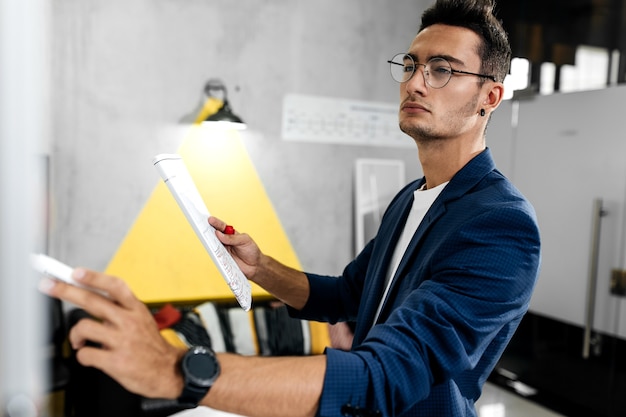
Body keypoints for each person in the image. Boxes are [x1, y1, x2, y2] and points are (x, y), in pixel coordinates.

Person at [40, 0, 541, 416]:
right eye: (410, 65)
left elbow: (387, 373)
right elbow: (347, 294)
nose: (414, 82)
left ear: (489, 96)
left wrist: (172, 369)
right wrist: (261, 267)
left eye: (441, 70)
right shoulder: (412, 198)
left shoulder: (501, 225)